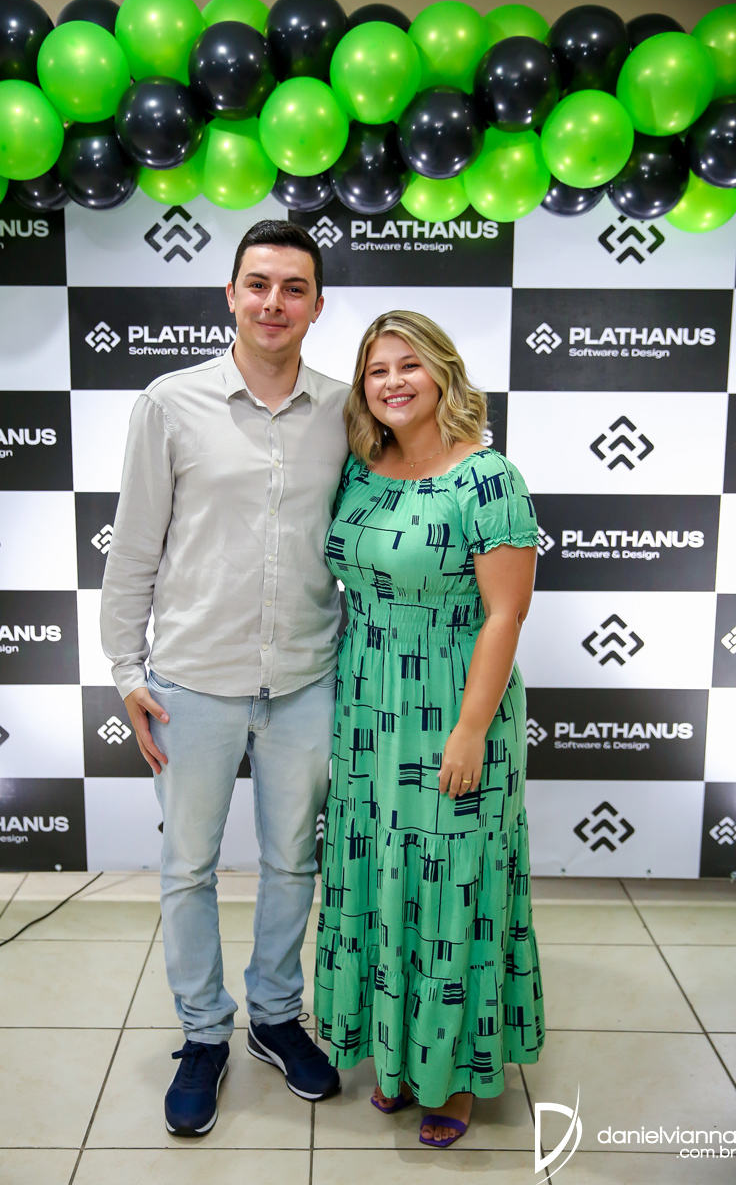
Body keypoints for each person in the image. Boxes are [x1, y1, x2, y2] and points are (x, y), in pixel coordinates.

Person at [100, 220, 348, 1136]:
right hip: (193, 681)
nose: (274, 302)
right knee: (188, 867)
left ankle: (276, 1017)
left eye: (294, 287)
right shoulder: (170, 403)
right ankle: (204, 1032)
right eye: (259, 284)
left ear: (316, 305)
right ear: (232, 294)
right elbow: (134, 547)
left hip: (307, 678)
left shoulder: (345, 409)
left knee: (292, 862)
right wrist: (125, 670)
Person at [314, 310, 544, 1148]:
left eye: (409, 366)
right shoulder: (361, 467)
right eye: (377, 370)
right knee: (381, 873)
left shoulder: (487, 478)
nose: (393, 383)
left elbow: (505, 614)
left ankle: (453, 1078)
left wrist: (471, 730)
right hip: (367, 708)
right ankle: (399, 1057)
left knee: (451, 885)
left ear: (443, 372)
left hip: (452, 703)